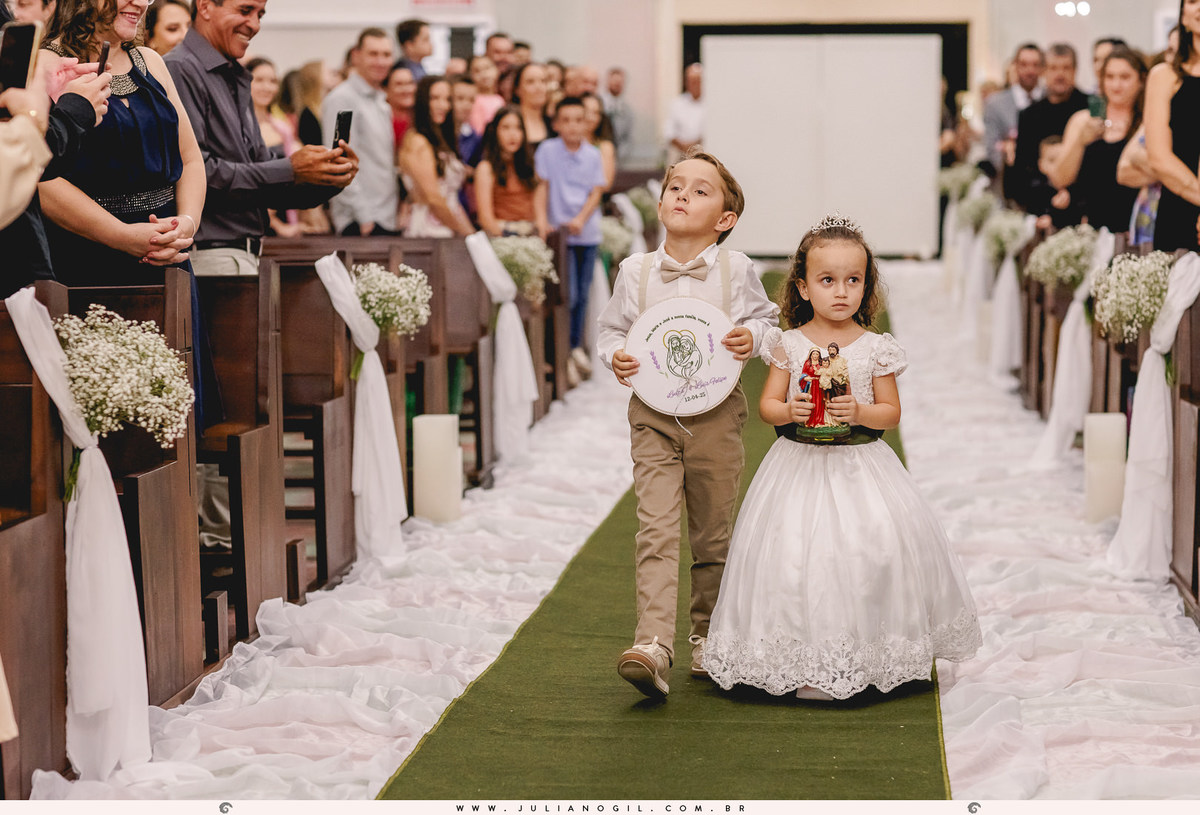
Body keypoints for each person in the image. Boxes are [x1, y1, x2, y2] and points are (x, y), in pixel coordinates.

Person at [703, 214, 981, 700]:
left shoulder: (876, 348)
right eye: (827, 280)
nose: (841, 292)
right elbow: (769, 405)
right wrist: (787, 408)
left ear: (866, 286)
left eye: (853, 280)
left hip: (860, 466)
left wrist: (861, 410)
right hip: (798, 464)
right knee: (793, 557)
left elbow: (891, 413)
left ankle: (867, 654)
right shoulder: (787, 344)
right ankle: (793, 659)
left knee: (866, 551)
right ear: (804, 287)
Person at [167, 0, 358, 548]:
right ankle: (215, 539)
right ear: (205, 6)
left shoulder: (233, 75)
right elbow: (197, 169)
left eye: (261, 13)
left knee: (243, 405)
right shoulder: (182, 70)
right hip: (212, 253)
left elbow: (255, 175)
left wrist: (321, 178)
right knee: (222, 406)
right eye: (243, 10)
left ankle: (235, 534)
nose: (254, 23)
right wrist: (285, 167)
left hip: (245, 251)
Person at [596, 149, 779, 697]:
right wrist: (616, 358)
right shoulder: (635, 270)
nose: (684, 195)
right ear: (659, 202)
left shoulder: (738, 268)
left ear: (726, 218)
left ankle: (708, 634)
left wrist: (755, 340)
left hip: (718, 416)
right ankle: (653, 644)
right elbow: (610, 332)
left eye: (702, 191)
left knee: (712, 532)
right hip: (653, 415)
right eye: (676, 186)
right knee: (655, 526)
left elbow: (767, 325)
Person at [535, 96, 606, 381]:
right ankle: (563, 352)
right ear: (556, 124)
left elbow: (596, 192)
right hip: (557, 235)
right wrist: (542, 220)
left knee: (582, 296)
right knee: (567, 295)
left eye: (578, 120)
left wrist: (581, 219)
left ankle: (575, 347)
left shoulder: (592, 154)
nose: (572, 126)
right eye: (566, 120)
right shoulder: (547, 150)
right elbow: (542, 187)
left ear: (586, 123)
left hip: (586, 234)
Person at [1047, 45, 1145, 234]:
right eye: (1110, 77)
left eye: (1124, 77)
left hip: (1133, 226)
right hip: (1091, 228)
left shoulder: (1145, 122)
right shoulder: (1085, 119)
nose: (1116, 85)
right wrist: (1079, 142)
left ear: (1141, 80)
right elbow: (1060, 178)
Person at [323, 27, 398, 236]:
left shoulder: (380, 100)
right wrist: (364, 217)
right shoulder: (343, 99)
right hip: (361, 221)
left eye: (386, 55)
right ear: (356, 56)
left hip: (385, 216)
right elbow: (337, 161)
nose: (381, 61)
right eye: (373, 54)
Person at [1146, 0, 1200, 252]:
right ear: (1183, 16)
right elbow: (1158, 157)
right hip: (1180, 207)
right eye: (1192, 1)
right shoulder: (1164, 76)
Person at [1011, 43, 1088, 212]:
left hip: (1084, 203)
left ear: (1075, 71)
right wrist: (1049, 197)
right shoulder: (1030, 116)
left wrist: (1071, 194)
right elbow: (1023, 171)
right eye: (1053, 68)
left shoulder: (1089, 108)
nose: (1060, 75)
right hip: (1043, 206)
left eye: (1066, 68)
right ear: (1044, 71)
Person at [397, 75, 473, 238]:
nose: (443, 105)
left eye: (447, 99)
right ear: (423, 101)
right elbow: (433, 198)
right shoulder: (417, 141)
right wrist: (462, 232)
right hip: (430, 229)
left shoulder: (441, 141)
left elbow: (451, 199)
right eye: (435, 98)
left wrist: (471, 235)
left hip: (449, 225)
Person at [247, 56, 305, 238]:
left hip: (286, 218)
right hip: (256, 222)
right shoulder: (239, 128)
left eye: (273, 81)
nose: (267, 87)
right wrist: (277, 226)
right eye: (259, 80)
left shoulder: (282, 127)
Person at [983, 43, 1044, 182]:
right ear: (1015, 66)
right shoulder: (995, 104)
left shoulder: (1050, 99)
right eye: (1024, 64)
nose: (1030, 70)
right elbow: (991, 148)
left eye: (1035, 65)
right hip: (1012, 181)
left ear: (1042, 68)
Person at [474, 105, 536, 237]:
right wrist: (507, 243)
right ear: (495, 131)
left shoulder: (530, 165)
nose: (512, 134)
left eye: (518, 128)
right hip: (502, 234)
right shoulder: (486, 168)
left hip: (530, 233)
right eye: (506, 128)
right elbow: (485, 218)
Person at [664, 62, 702, 165]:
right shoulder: (677, 103)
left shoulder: (712, 104)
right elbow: (669, 132)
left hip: (704, 156)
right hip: (681, 157)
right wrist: (683, 146)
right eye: (691, 81)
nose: (694, 84)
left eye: (697, 81)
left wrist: (695, 146)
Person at [511, 61, 550, 150]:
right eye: (530, 82)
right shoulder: (509, 122)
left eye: (543, 81)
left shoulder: (553, 124)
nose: (538, 87)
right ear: (518, 89)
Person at [581, 92, 615, 190]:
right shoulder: (565, 144)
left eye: (595, 113)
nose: (590, 117)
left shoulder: (605, 147)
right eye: (586, 111)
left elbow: (605, 185)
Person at [600, 66, 633, 161]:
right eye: (614, 81)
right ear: (607, 81)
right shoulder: (598, 104)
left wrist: (618, 155)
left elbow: (627, 138)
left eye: (619, 82)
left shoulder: (627, 111)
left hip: (617, 158)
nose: (617, 84)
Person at [467, 55, 503, 134]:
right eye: (477, 71)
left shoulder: (499, 99)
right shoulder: (474, 101)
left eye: (487, 68)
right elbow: (479, 131)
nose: (484, 74)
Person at [393, 18, 430, 83]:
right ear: (409, 46)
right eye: (425, 40)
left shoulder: (418, 67)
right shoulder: (404, 73)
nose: (431, 44)